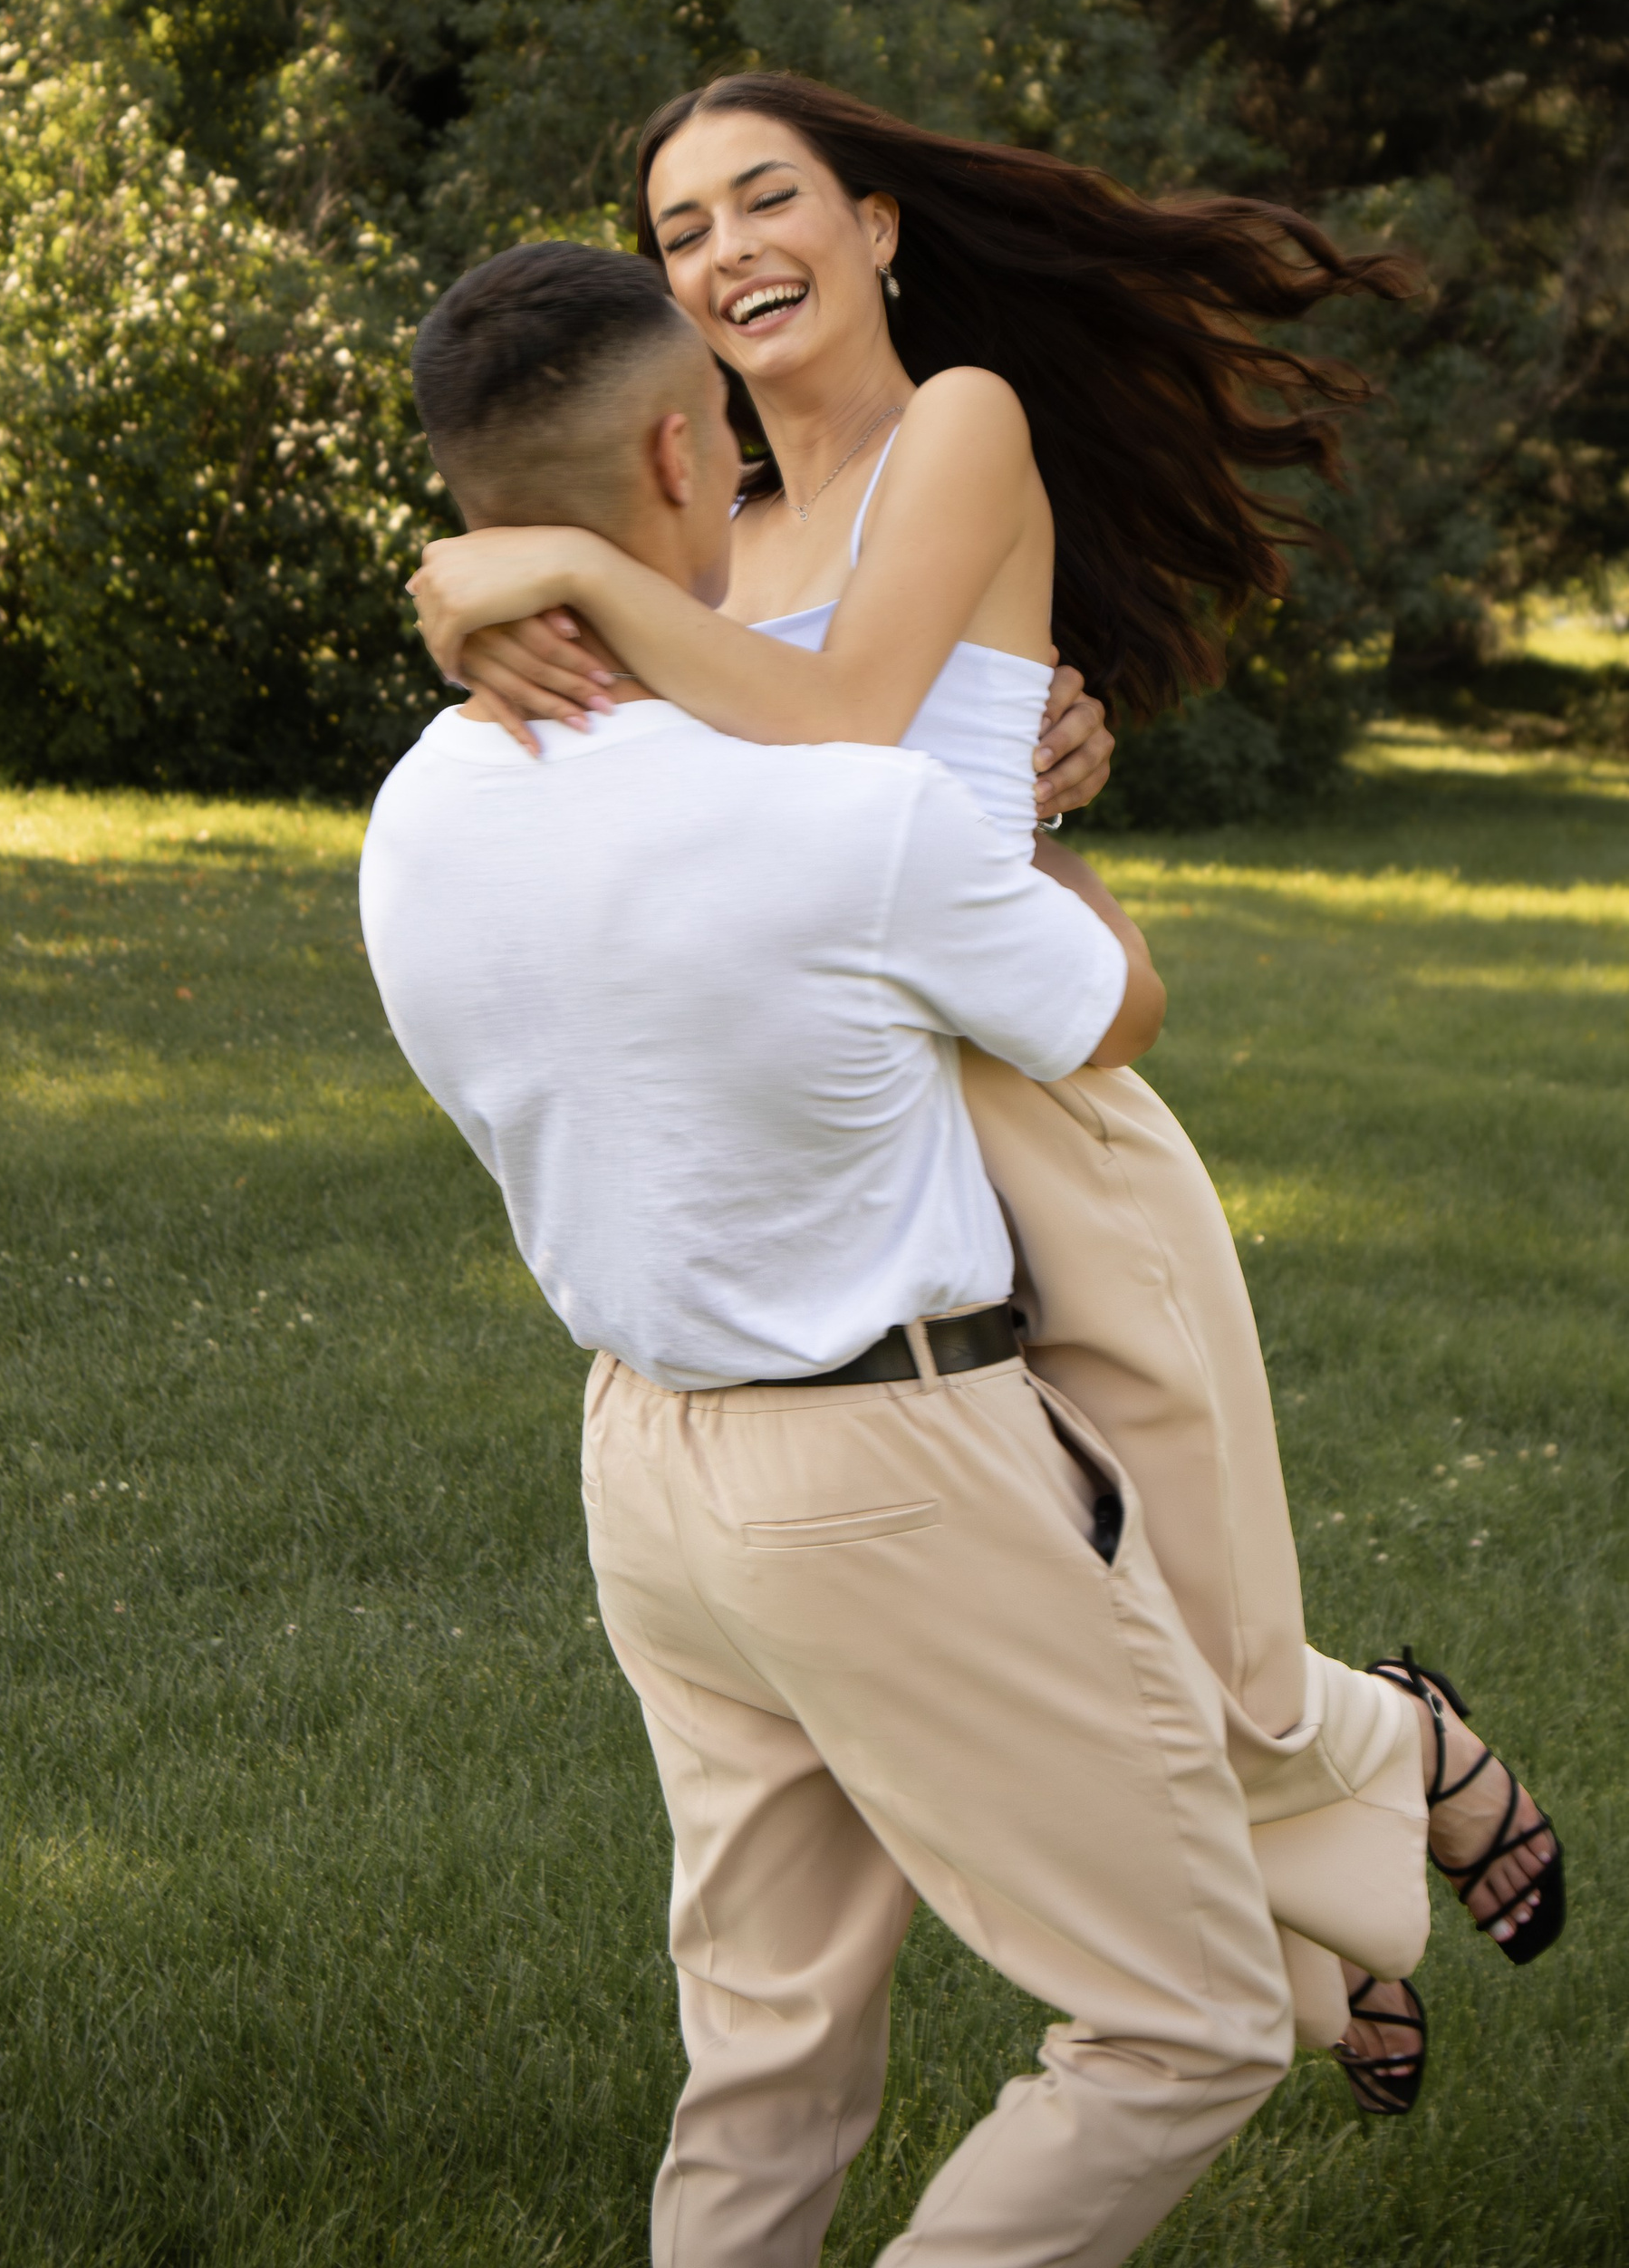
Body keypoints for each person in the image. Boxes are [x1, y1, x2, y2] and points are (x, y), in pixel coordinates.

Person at [403, 78, 1565, 2105]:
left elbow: (851, 728)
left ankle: (1394, 1770)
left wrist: (513, 571)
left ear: (874, 229)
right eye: (678, 232)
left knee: (1197, 1640)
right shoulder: (712, 532)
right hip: (856, 1126)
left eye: (766, 200)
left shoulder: (957, 427)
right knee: (1081, 1636)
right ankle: (1329, 1908)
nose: (724, 252)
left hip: (1040, 1105)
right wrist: (472, 582)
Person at [362, 240, 1310, 2266]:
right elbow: (1107, 1008)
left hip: (644, 1465)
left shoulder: (413, 811)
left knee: (768, 2044)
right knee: (1183, 2018)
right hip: (890, 1466)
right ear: (687, 446)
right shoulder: (840, 815)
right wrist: (1029, 816)